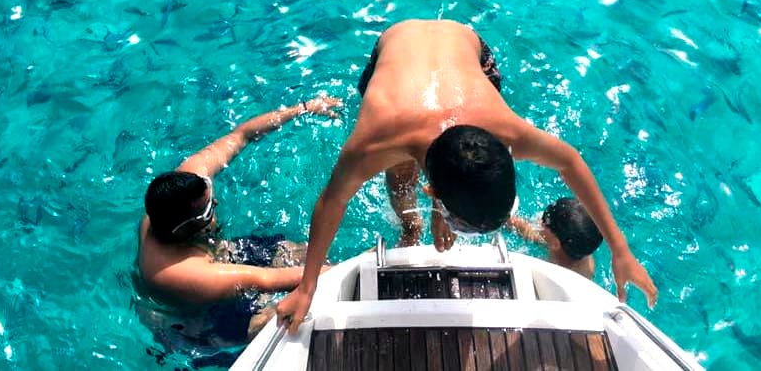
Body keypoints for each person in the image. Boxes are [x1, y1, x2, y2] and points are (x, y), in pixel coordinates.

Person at [277, 19, 657, 333]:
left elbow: (570, 162)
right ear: (433, 191)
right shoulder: (375, 142)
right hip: (396, 45)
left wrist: (620, 250)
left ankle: (431, 215)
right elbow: (332, 201)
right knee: (399, 173)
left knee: (438, 169)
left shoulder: (507, 130)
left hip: (465, 44)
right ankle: (411, 229)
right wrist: (307, 287)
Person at [136, 94, 342, 344]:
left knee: (297, 253)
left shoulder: (178, 194)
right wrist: (359, 264)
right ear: (186, 229)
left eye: (211, 197)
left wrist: (304, 107)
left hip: (218, 257)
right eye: (208, 210)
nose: (216, 205)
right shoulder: (182, 273)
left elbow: (241, 135)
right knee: (276, 319)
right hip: (203, 320)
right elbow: (272, 279)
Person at [506, 197, 602, 279]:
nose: (540, 223)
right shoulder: (579, 246)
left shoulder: (555, 274)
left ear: (555, 244)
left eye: (544, 223)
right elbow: (528, 231)